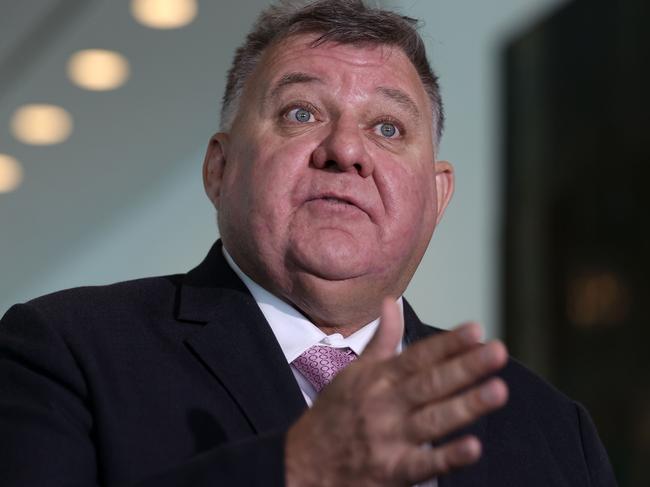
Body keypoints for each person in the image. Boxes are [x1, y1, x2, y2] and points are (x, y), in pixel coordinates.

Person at [0, 1, 616, 486]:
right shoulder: (65, 353)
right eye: (301, 113)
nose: (346, 150)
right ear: (220, 168)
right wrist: (298, 470)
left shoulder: (555, 432)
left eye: (387, 127)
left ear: (436, 195)